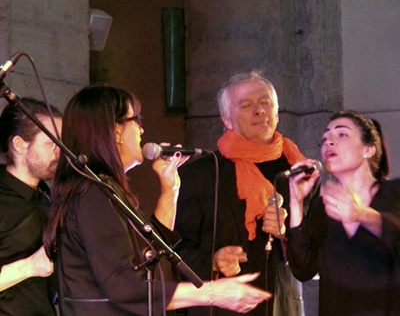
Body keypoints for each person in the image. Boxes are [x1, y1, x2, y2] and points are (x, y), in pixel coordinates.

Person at [43, 85, 272, 316]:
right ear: (117, 131)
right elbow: (124, 286)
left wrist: (170, 188)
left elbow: (150, 252)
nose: (142, 131)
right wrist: (212, 293)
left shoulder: (104, 190)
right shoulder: (93, 195)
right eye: (137, 120)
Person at [174, 71, 306, 316]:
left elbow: (314, 251)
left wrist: (288, 233)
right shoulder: (203, 172)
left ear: (276, 112)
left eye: (266, 102)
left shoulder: (299, 172)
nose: (259, 110)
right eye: (246, 105)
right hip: (221, 307)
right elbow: (176, 247)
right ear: (226, 119)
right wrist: (212, 261)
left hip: (281, 305)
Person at [287, 110, 400, 316]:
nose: (329, 141)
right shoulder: (324, 206)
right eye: (325, 138)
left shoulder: (394, 193)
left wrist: (362, 215)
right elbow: (303, 269)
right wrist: (296, 203)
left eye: (341, 134)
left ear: (368, 149)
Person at [0, 98, 62, 315]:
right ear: (19, 145)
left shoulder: (45, 197)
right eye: (51, 143)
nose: (59, 152)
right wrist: (30, 267)